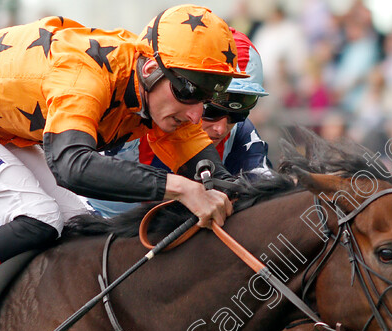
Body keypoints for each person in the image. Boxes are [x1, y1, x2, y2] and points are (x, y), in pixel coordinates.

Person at [0, 5, 246, 331]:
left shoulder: (159, 93)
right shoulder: (85, 71)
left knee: (84, 227)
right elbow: (71, 166)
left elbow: (219, 180)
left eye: (209, 96)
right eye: (188, 90)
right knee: (38, 217)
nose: (197, 113)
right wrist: (181, 188)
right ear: (151, 69)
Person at [88, 28, 269, 217]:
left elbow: (267, 204)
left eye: (239, 112)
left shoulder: (241, 133)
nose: (221, 128)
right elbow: (82, 182)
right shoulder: (126, 118)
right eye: (211, 110)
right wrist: (180, 189)